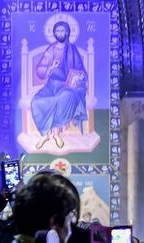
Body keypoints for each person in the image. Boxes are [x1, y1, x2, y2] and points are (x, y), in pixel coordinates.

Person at [32, 21, 89, 150]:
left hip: (67, 86)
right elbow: (40, 69)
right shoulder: (50, 50)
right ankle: (46, 134)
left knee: (64, 98)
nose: (60, 33)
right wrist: (50, 69)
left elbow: (80, 69)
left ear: (67, 32)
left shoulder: (72, 50)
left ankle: (56, 133)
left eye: (62, 31)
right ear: (54, 33)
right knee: (37, 102)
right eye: (58, 31)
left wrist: (78, 77)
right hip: (52, 85)